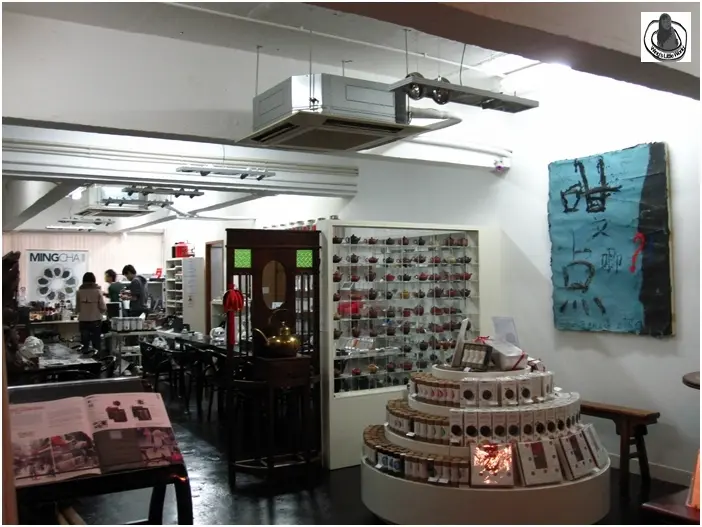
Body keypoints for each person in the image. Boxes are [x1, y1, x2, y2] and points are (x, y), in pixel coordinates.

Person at [76, 272, 106, 352]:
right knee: (96, 344)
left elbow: (78, 308)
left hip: (83, 321)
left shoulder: (79, 292)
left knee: (84, 345)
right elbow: (103, 307)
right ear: (94, 280)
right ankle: (97, 358)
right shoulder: (98, 291)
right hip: (96, 320)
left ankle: (85, 358)